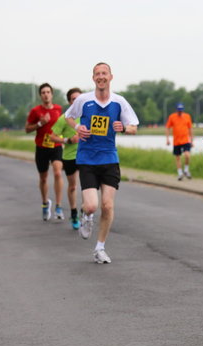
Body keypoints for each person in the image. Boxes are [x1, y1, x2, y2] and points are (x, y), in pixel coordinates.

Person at [65, 62, 138, 264]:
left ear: (110, 77)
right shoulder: (83, 100)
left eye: (104, 73)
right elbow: (68, 117)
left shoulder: (119, 102)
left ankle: (100, 248)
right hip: (87, 158)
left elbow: (134, 127)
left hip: (109, 158)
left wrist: (123, 127)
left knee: (107, 205)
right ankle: (86, 216)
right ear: (93, 78)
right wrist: (78, 127)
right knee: (91, 205)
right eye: (97, 74)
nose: (101, 77)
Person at [25, 83, 64, 221]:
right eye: (43, 92)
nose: (46, 94)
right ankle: (45, 203)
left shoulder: (59, 109)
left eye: (48, 92)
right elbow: (27, 129)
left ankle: (58, 206)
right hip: (41, 147)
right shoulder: (36, 111)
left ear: (52, 94)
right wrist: (40, 124)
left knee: (58, 172)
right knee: (43, 178)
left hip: (56, 145)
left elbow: (64, 125)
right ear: (40, 95)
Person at [49, 88, 82, 230]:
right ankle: (74, 213)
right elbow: (52, 136)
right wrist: (68, 140)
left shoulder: (88, 115)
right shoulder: (64, 118)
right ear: (69, 102)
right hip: (69, 156)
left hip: (86, 155)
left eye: (79, 98)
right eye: (73, 99)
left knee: (88, 186)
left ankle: (87, 213)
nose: (76, 101)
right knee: (73, 186)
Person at [165, 102, 193, 180]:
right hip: (176, 141)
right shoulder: (172, 117)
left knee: (187, 155)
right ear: (177, 110)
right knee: (178, 157)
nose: (180, 112)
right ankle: (180, 173)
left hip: (185, 140)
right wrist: (167, 139)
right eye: (179, 110)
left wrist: (192, 140)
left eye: (181, 110)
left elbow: (190, 128)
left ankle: (186, 170)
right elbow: (167, 127)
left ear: (183, 110)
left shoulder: (187, 116)